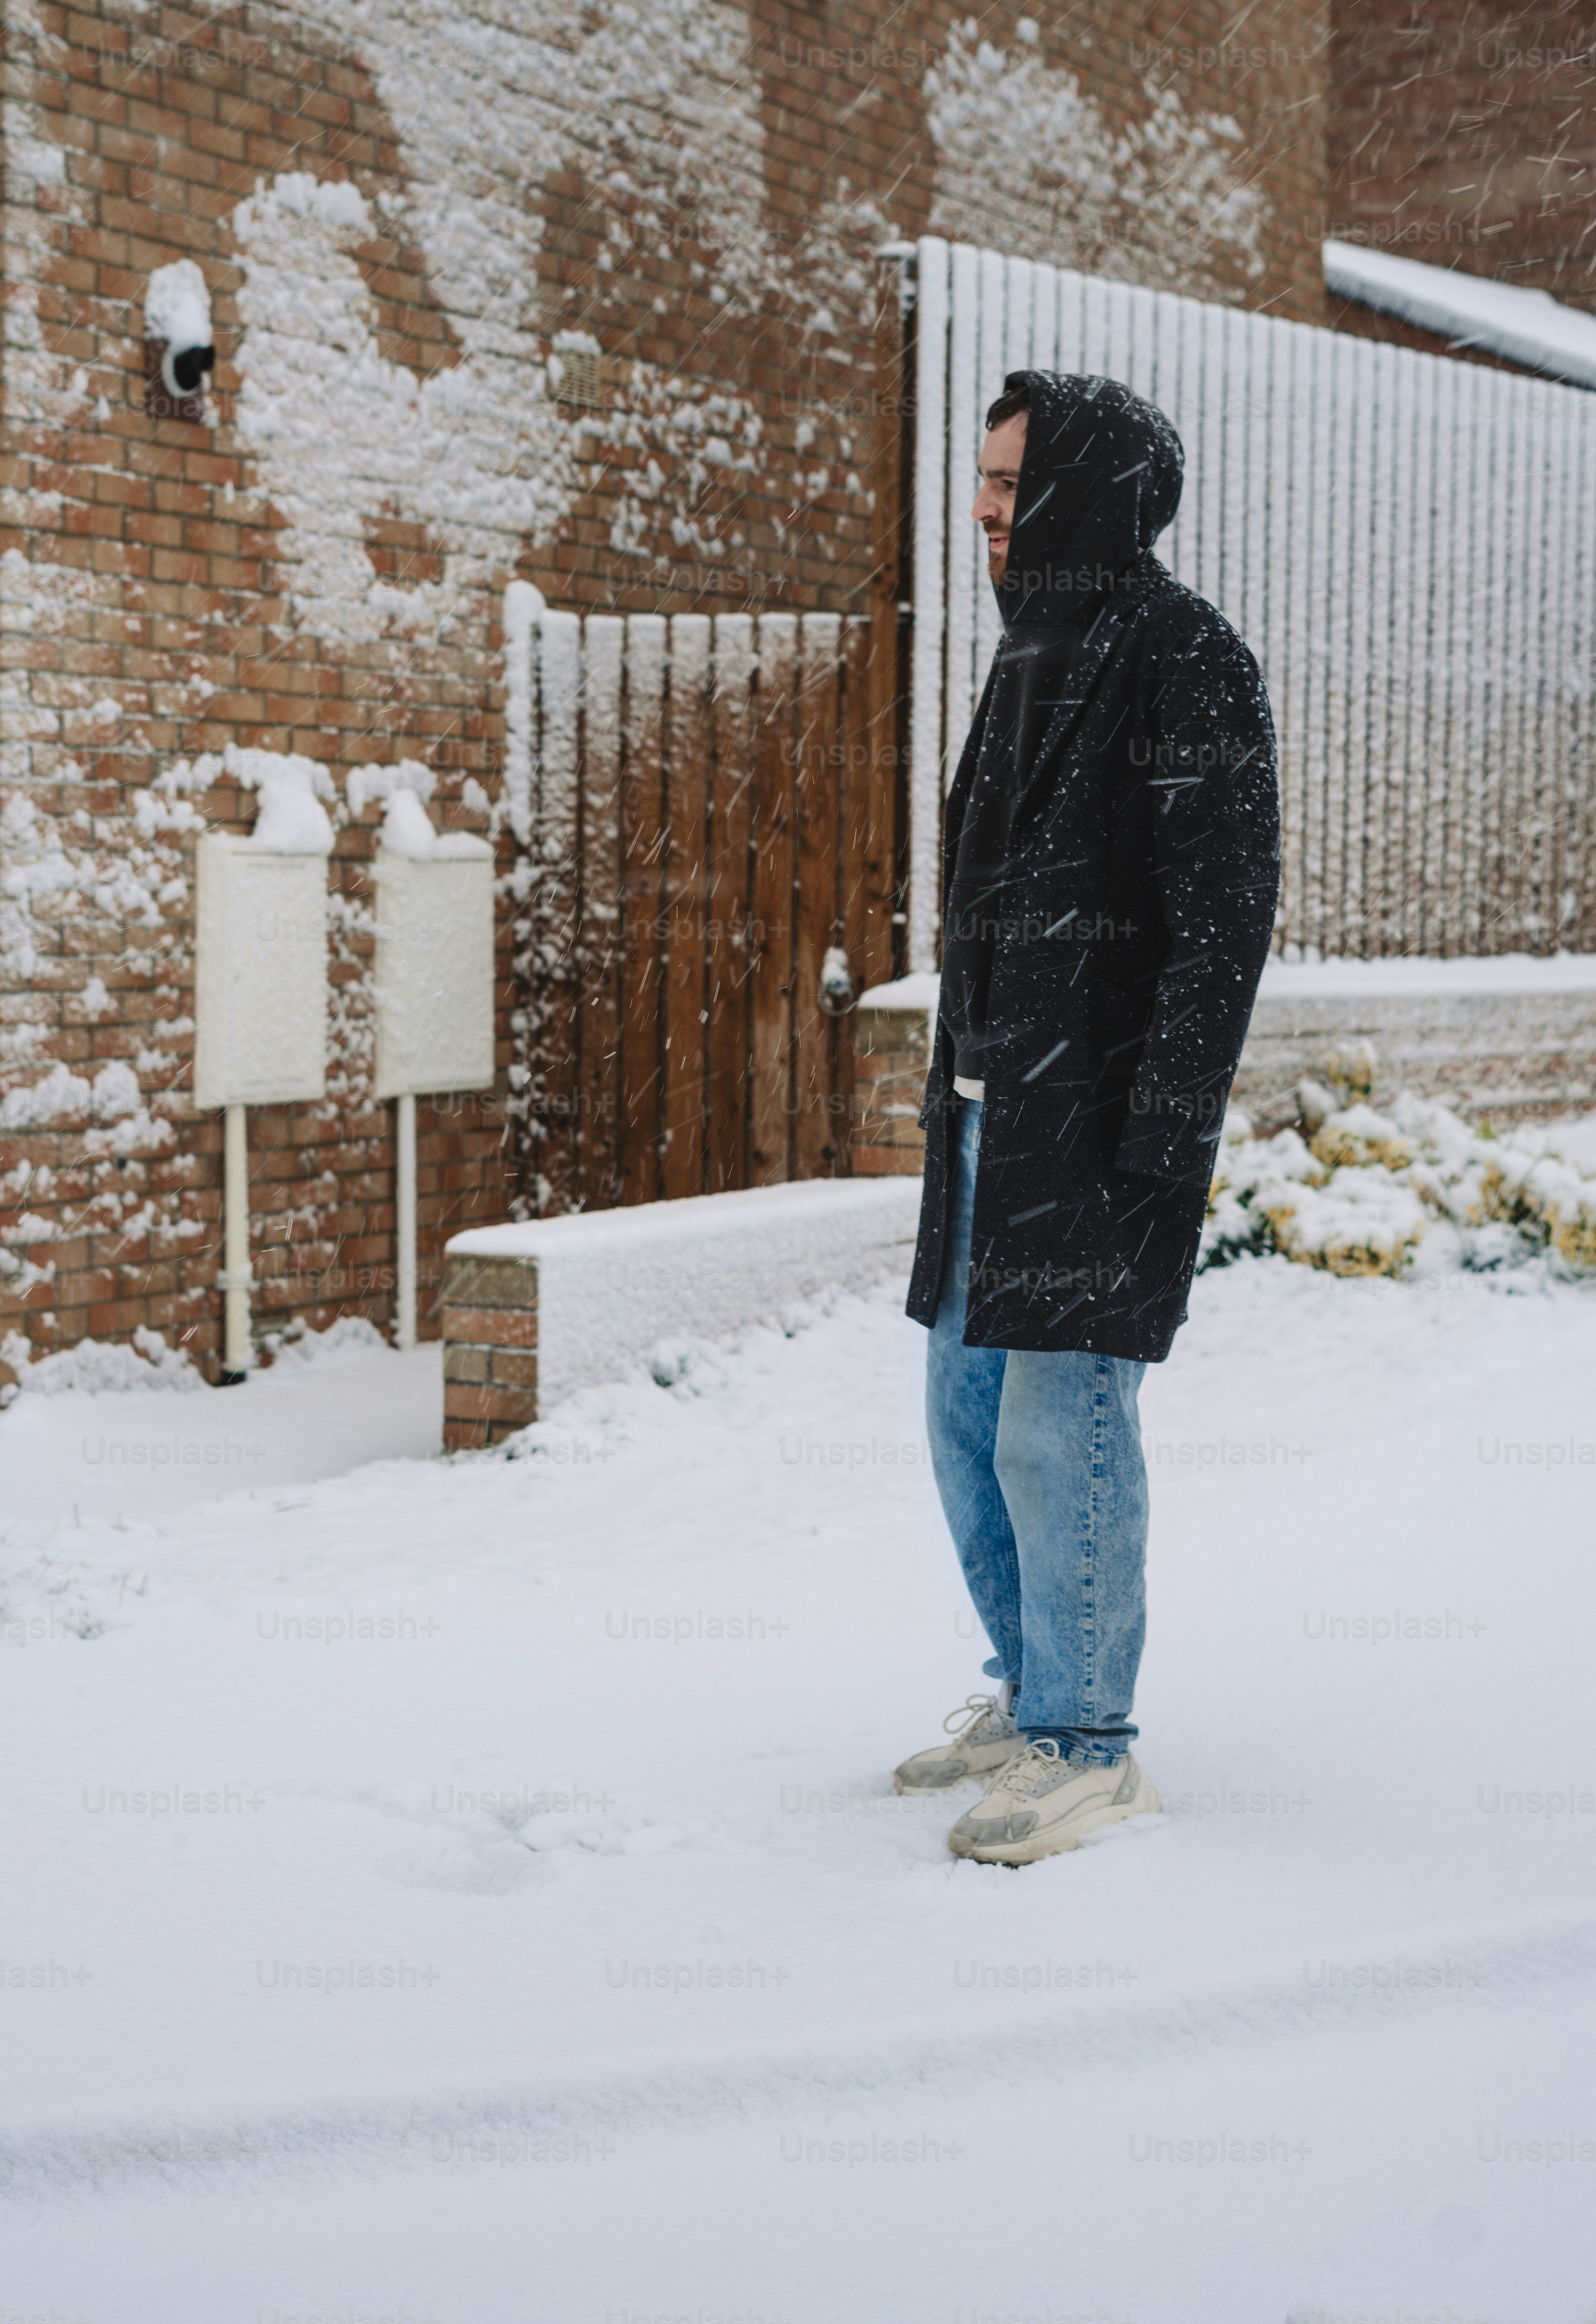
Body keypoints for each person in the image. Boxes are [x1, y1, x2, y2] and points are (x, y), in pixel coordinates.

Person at [895, 370, 1281, 1866]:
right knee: (965, 1420)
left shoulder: (1184, 658)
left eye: (1009, 481)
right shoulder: (1031, 658)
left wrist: (1160, 1140)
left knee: (1067, 1423)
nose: (984, 506)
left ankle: (1087, 1742)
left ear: (1084, 494)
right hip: (992, 1117)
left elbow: (1219, 924)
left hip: (1100, 1126)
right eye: (983, 479)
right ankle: (1026, 1689)